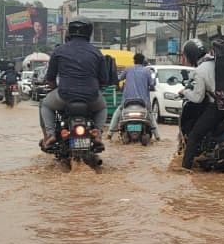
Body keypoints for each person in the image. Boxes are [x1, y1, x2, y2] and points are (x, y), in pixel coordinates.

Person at [40, 16, 109, 148]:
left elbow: (50, 78)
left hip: (64, 96)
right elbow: (104, 79)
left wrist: (54, 87)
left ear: (70, 31)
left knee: (45, 105)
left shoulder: (59, 51)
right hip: (91, 98)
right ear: (89, 32)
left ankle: (50, 135)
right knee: (102, 107)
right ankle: (98, 133)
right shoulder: (97, 52)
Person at [178, 38, 224, 170]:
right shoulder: (217, 62)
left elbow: (197, 98)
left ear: (191, 55)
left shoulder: (200, 70)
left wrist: (185, 92)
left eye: (185, 56)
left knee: (194, 136)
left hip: (220, 107)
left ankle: (185, 169)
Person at [108, 53, 160, 141]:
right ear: (143, 61)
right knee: (151, 117)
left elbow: (118, 79)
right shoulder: (147, 71)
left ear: (134, 61)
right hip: (143, 102)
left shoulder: (128, 69)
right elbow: (151, 84)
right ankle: (157, 136)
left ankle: (109, 134)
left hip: (127, 101)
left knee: (117, 114)